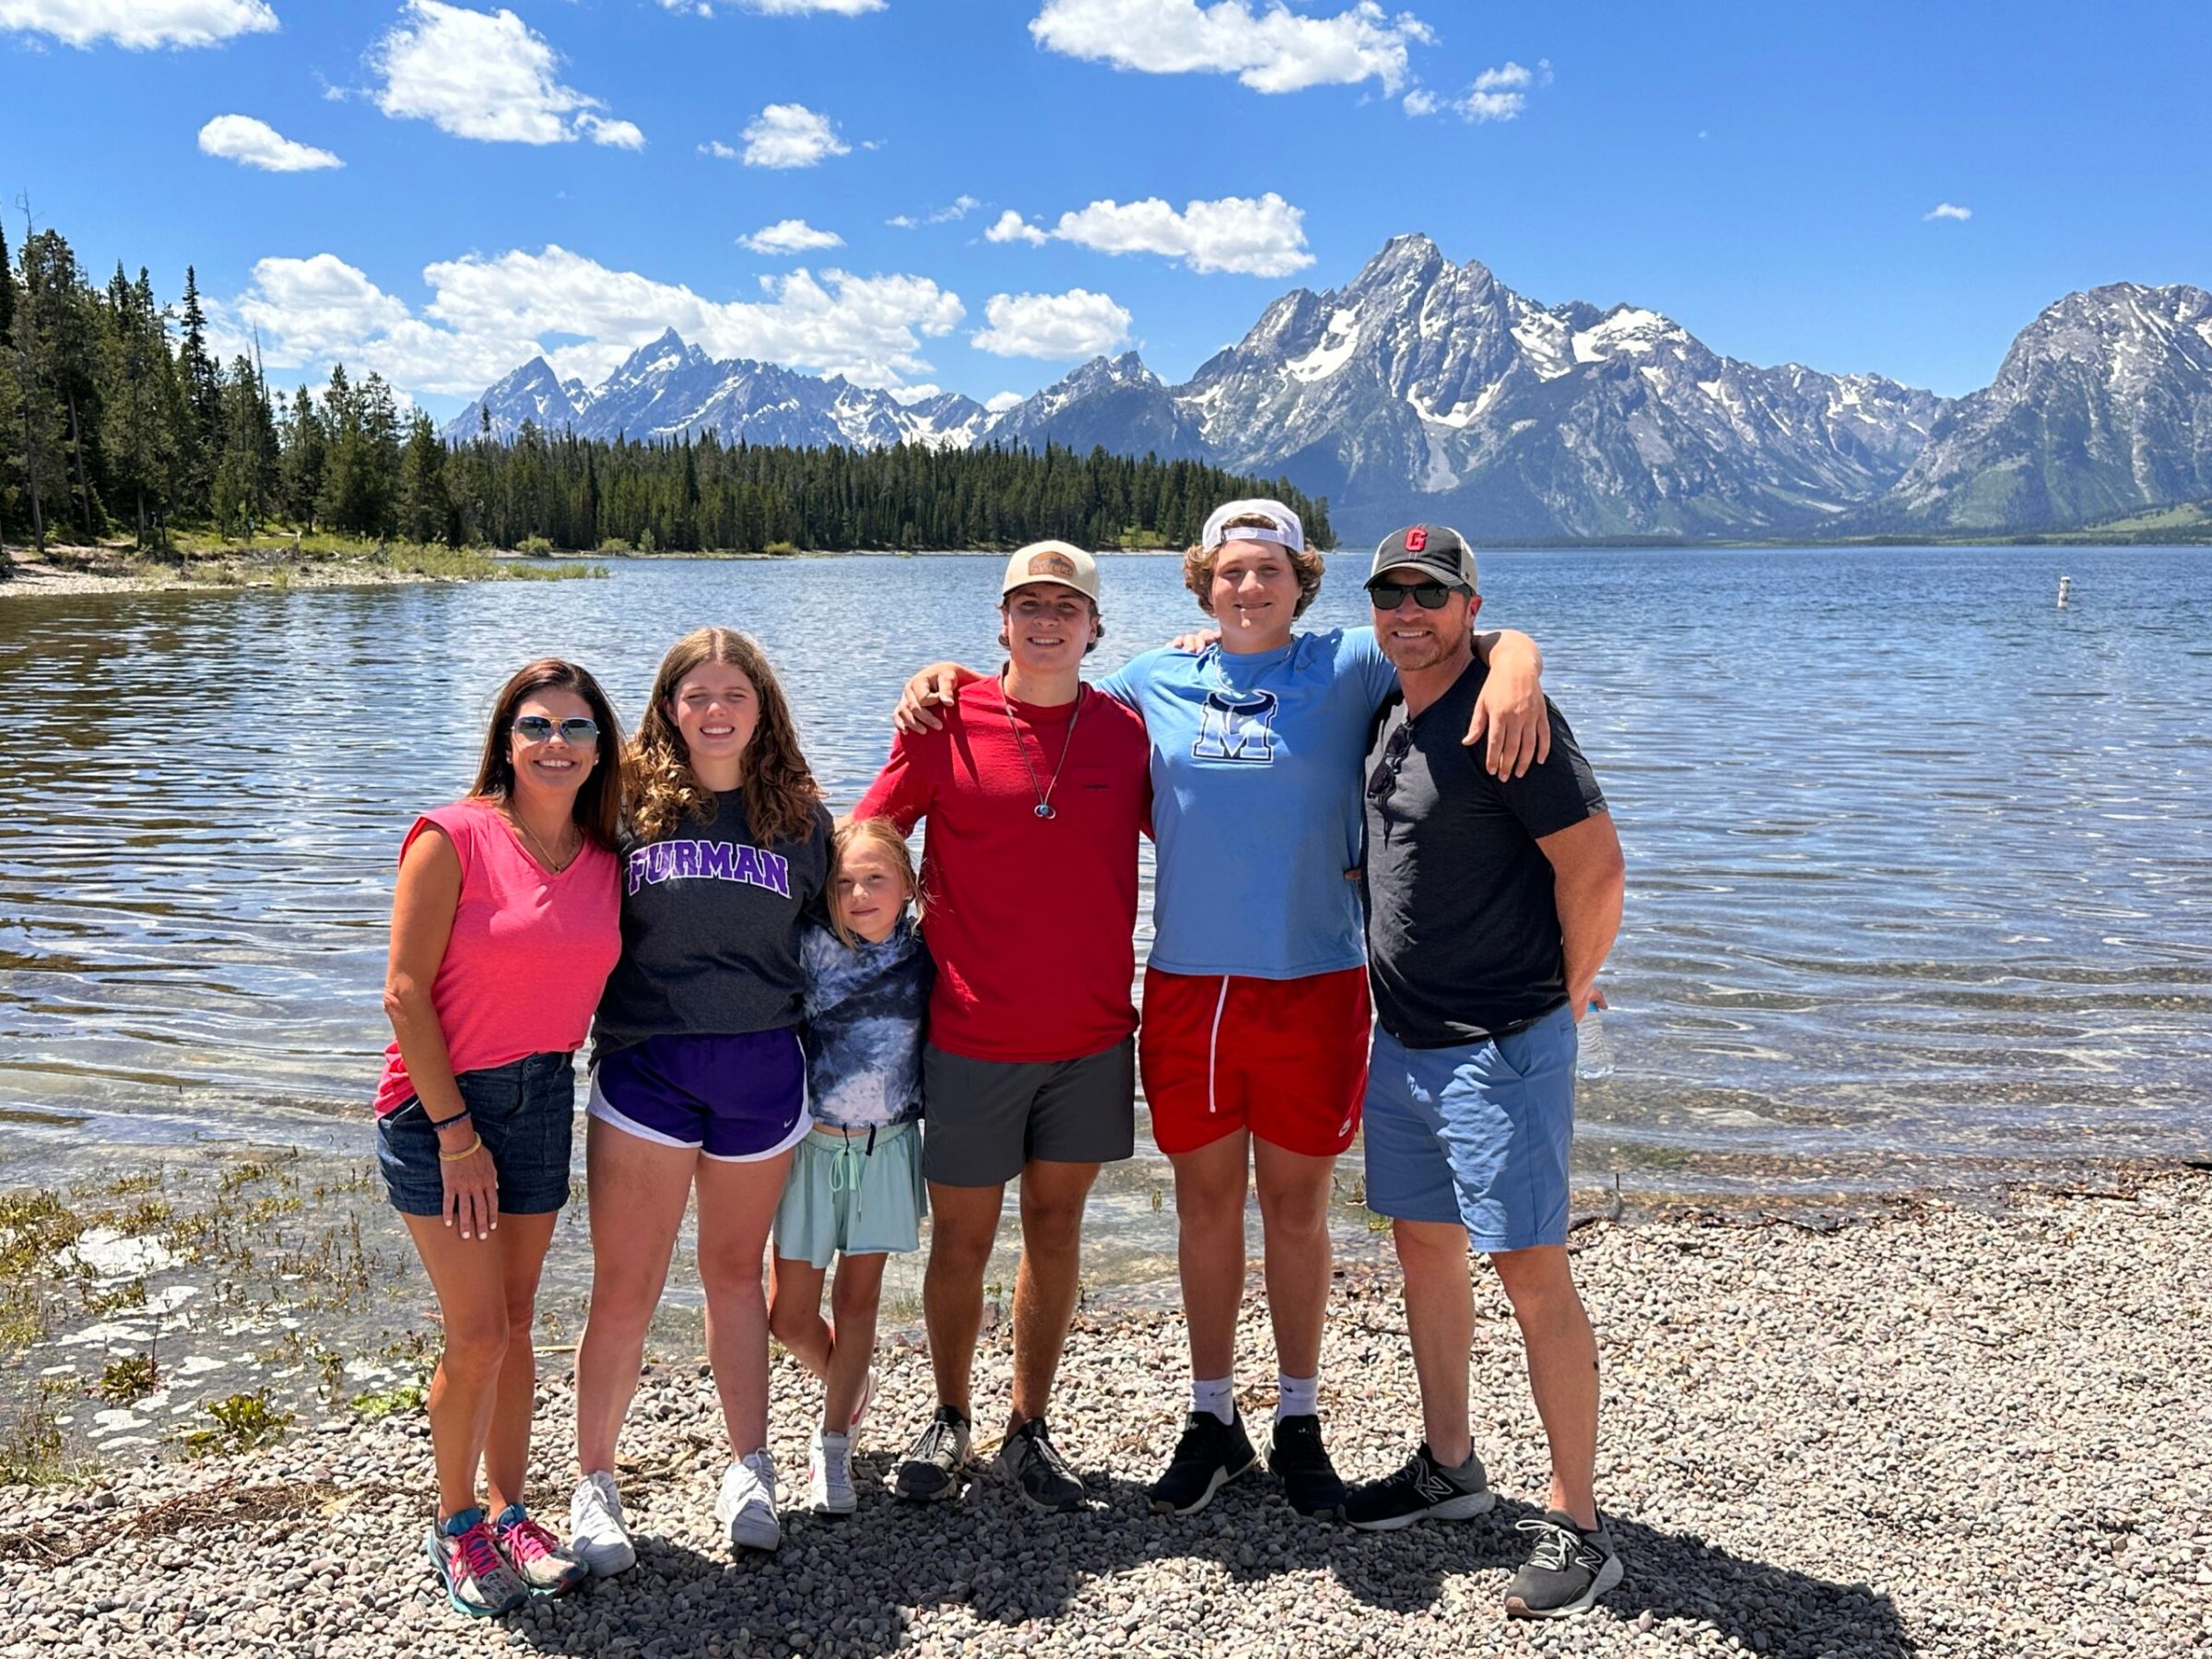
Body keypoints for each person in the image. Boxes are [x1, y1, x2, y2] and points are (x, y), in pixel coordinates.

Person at [893, 502, 1549, 1520]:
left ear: (1301, 580)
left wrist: (1519, 666)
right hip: (1193, 988)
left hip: (1319, 982)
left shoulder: (1348, 668)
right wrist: (941, 681)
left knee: (1296, 1208)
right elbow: (1033, 702)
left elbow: (1462, 639)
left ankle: (1296, 1416)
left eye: (1269, 571)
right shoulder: (1152, 680)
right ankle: (1211, 1417)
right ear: (1202, 584)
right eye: (1231, 573)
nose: (1249, 589)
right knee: (1204, 1207)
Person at [1340, 524, 1628, 1621]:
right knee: (1425, 1251)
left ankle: (1579, 1523)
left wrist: (1563, 992)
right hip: (1402, 1043)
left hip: (1500, 1046)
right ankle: (1452, 1469)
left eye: (1432, 594)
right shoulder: (1389, 712)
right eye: (1391, 593)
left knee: (1529, 1269)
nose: (1408, 611)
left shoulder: (1516, 721)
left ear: (1470, 606)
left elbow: (1597, 868)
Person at [857, 541, 1152, 1512]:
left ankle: (1030, 1426)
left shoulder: (1127, 733)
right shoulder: (945, 720)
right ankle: (949, 1416)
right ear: (1001, 621)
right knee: (961, 1242)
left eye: (1066, 607)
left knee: (1057, 1228)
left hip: (1093, 1033)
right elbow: (869, 842)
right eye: (1029, 603)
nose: (1047, 620)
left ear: (1095, 627)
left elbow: (1224, 824)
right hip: (972, 1034)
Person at [568, 628, 832, 1566]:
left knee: (733, 1276)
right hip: (649, 1070)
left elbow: (849, 936)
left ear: (763, 708)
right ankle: (595, 1484)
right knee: (627, 1288)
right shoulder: (626, 805)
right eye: (697, 695)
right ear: (669, 706)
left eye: (734, 694)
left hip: (763, 1072)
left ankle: (748, 1467)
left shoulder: (800, 817)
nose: (715, 711)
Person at [375, 658, 624, 1616]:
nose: (555, 743)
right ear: (506, 740)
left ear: (602, 747)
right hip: (441, 1107)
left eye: (575, 727)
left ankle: (512, 1508)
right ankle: (456, 1529)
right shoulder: (455, 836)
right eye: (536, 727)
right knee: (476, 1332)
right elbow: (403, 993)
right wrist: (454, 1134)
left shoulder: (607, 858)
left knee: (517, 1324)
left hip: (542, 1093)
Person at [766, 816, 934, 1516]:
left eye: (876, 879)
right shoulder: (807, 947)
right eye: (843, 883)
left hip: (886, 1148)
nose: (860, 894)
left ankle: (834, 1443)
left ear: (908, 886)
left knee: (858, 1302)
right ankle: (851, 1383)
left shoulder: (926, 953)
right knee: (788, 1317)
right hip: (810, 1146)